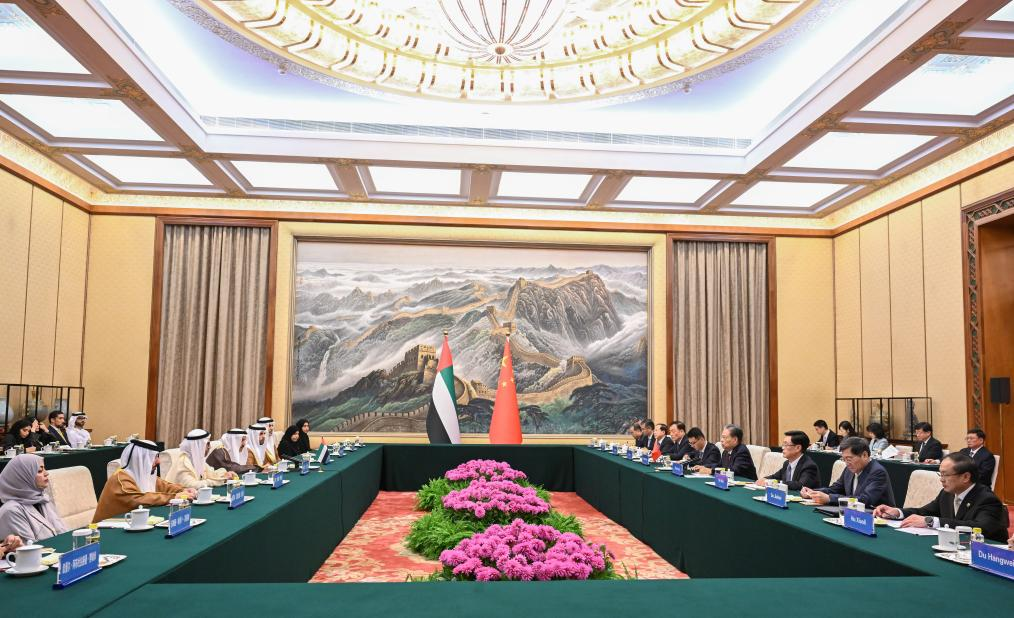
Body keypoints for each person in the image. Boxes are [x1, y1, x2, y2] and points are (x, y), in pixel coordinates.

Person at [873, 453, 1009, 542]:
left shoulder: (987, 499)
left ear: (966, 477)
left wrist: (932, 521)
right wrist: (897, 512)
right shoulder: (947, 494)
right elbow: (924, 512)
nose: (941, 480)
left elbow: (980, 527)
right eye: (940, 474)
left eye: (946, 475)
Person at [92, 439, 195, 522]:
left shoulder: (145, 476)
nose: (158, 461)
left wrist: (184, 490)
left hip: (133, 524)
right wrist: (173, 497)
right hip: (106, 529)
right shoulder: (120, 478)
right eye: (154, 457)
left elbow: (166, 486)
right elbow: (137, 499)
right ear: (141, 460)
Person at [801, 437, 896, 507]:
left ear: (864, 455)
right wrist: (813, 492)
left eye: (849, 459)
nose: (846, 463)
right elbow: (835, 489)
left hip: (878, 518)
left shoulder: (877, 472)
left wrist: (829, 498)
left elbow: (864, 500)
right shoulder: (849, 469)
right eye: (844, 459)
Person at [0, 454, 67, 542]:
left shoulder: (41, 499)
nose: (46, 473)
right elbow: (31, 547)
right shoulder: (11, 511)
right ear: (23, 477)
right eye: (39, 471)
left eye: (44, 469)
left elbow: (63, 532)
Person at [166, 429, 234, 489]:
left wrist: (224, 475)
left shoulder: (198, 460)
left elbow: (211, 474)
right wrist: (220, 481)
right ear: (198, 446)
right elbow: (192, 485)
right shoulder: (183, 462)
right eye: (207, 444)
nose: (210, 447)